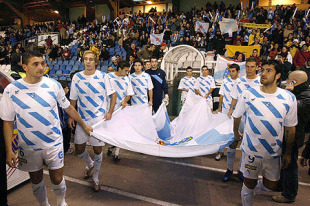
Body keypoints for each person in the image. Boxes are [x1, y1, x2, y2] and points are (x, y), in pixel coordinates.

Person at [0, 50, 92, 206]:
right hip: (28, 146)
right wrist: (9, 150)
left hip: (53, 143)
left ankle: (61, 202)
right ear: (24, 67)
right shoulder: (11, 90)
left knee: (57, 178)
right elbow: (7, 121)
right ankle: (44, 204)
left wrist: (83, 125)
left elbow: (68, 108)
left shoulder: (53, 85)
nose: (41, 67)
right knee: (36, 180)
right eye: (35, 64)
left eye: (42, 63)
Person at [233, 59, 297, 206]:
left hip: (274, 153)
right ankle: (247, 198)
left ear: (278, 75)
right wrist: (236, 132)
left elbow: (290, 128)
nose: (263, 73)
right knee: (249, 182)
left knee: (271, 186)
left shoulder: (288, 98)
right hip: (251, 150)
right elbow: (237, 116)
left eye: (269, 71)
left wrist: (287, 153)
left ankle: (247, 193)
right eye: (263, 70)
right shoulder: (248, 94)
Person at [69, 50, 116, 192]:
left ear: (96, 62)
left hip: (98, 121)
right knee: (79, 149)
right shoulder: (77, 77)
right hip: (82, 120)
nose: (88, 61)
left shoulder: (104, 77)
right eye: (85, 59)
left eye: (91, 59)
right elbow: (73, 98)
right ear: (83, 61)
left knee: (97, 150)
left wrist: (110, 112)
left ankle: (95, 177)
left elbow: (113, 95)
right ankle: (90, 164)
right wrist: (71, 115)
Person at [272, 70, 310, 203]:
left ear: (295, 82)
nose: (286, 82)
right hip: (288, 134)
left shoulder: (306, 98)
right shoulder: (302, 94)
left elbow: (290, 110)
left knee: (290, 164)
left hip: (293, 136)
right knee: (284, 162)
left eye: (289, 79)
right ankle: (281, 185)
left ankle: (289, 194)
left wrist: (289, 93)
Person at [223, 57, 261, 182]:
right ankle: (229, 169)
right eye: (247, 67)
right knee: (233, 143)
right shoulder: (239, 81)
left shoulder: (260, 82)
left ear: (257, 67)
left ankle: (241, 171)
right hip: (238, 118)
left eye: (252, 67)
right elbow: (234, 97)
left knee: (246, 146)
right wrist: (230, 110)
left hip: (252, 120)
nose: (249, 69)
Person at [106, 61, 134, 162]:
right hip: (109, 109)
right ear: (119, 69)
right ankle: (111, 146)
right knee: (111, 131)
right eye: (126, 71)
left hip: (121, 110)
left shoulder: (127, 79)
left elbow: (129, 93)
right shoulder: (108, 77)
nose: (127, 73)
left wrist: (124, 101)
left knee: (120, 131)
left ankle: (117, 153)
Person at [214, 64, 240, 161]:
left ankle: (231, 153)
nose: (231, 73)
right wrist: (219, 108)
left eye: (233, 71)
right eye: (230, 71)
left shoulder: (241, 82)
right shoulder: (225, 81)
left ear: (238, 71)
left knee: (233, 132)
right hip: (225, 110)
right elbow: (222, 95)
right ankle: (220, 152)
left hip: (236, 111)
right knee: (222, 131)